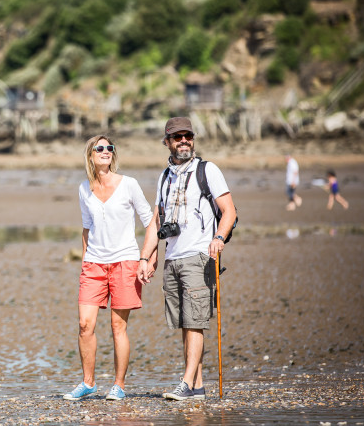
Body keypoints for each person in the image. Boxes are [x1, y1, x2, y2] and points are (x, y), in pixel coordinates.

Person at [137, 117, 237, 401]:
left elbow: (228, 211)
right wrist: (147, 257)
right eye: (177, 137)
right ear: (167, 142)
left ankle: (185, 382)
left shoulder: (208, 170)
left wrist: (218, 238)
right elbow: (158, 221)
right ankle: (197, 386)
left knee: (195, 322)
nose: (184, 141)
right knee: (184, 322)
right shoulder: (164, 176)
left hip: (199, 256)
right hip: (173, 257)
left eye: (188, 136)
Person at [63, 135, 153, 402]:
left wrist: (146, 258)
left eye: (109, 148)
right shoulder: (84, 188)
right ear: (90, 155)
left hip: (125, 261)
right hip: (94, 264)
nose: (105, 151)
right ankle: (88, 382)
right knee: (84, 325)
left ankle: (119, 385)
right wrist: (85, 262)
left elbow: (151, 222)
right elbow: (86, 227)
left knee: (117, 326)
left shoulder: (129, 184)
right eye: (99, 148)